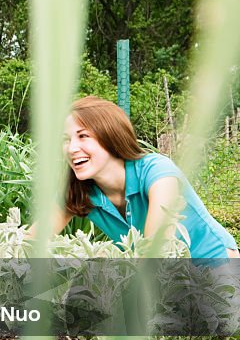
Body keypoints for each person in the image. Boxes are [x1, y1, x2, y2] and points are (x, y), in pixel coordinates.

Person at [49, 95, 239, 259]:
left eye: (83, 136)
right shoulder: (79, 192)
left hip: (216, 273)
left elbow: (156, 249)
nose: (72, 148)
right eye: (66, 140)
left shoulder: (157, 172)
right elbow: (31, 241)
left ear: (111, 136)